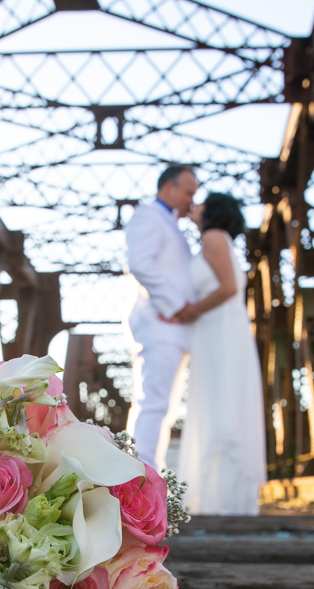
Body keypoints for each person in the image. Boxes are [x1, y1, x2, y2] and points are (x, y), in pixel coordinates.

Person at [173, 193, 266, 515]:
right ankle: (224, 497)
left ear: (213, 212)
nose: (194, 207)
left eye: (200, 204)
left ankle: (220, 499)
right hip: (219, 329)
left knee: (219, 402)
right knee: (221, 403)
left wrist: (191, 311)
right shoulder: (217, 240)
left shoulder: (213, 237)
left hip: (219, 329)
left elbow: (227, 287)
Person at [123, 164, 200, 470]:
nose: (191, 200)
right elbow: (140, 263)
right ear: (168, 188)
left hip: (172, 330)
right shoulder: (149, 215)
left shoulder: (171, 224)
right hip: (160, 325)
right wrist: (176, 305)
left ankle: (147, 475)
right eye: (188, 192)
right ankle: (140, 476)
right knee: (153, 404)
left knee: (161, 407)